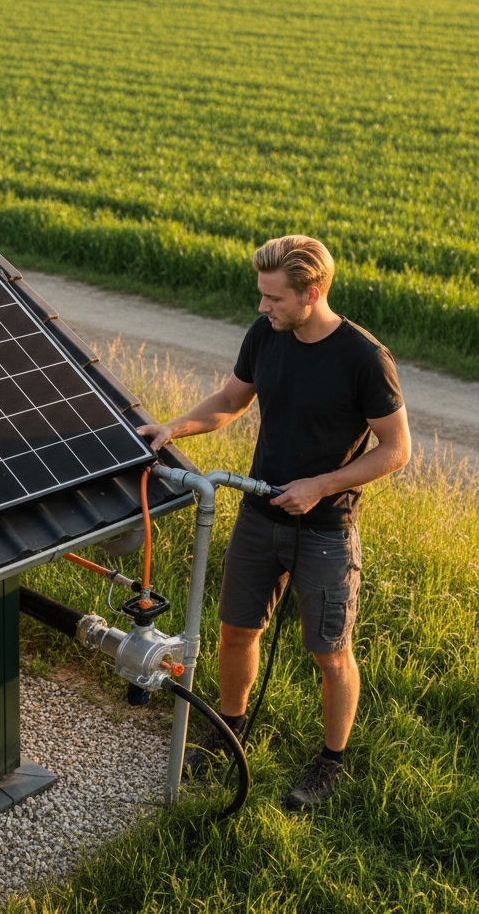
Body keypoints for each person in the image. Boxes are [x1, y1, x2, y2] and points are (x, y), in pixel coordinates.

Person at [137, 235, 410, 810]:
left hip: (328, 529)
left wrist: (319, 486)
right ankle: (227, 732)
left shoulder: (364, 358)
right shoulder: (267, 335)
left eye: (273, 298)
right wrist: (174, 428)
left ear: (312, 293)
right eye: (261, 296)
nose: (262, 308)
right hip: (259, 518)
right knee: (237, 631)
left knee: (329, 652)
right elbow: (232, 398)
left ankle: (330, 762)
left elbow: (395, 450)